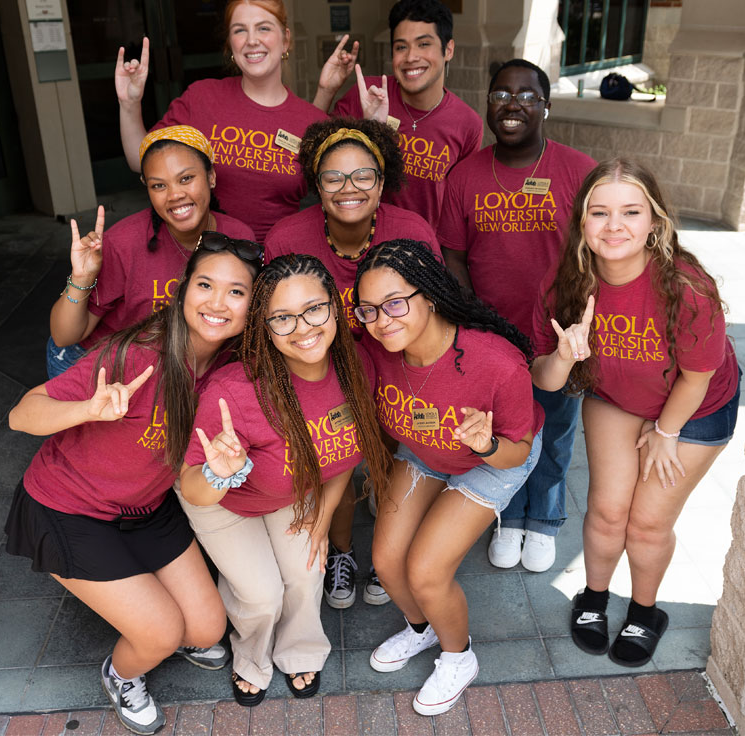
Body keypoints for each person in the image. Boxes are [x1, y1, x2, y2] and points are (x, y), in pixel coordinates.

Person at [6, 234, 264, 735]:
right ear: (184, 290)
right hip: (67, 506)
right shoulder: (134, 354)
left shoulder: (233, 368)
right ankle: (121, 675)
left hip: (145, 507)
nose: (216, 302)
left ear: (253, 307)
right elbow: (21, 415)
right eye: (205, 284)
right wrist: (87, 410)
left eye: (236, 292)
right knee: (161, 634)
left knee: (208, 629)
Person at [531, 158, 740, 667]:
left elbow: (697, 376)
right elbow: (544, 380)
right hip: (618, 398)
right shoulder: (566, 286)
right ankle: (594, 599)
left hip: (694, 407)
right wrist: (562, 356)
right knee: (607, 512)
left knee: (646, 523)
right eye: (599, 212)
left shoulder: (688, 288)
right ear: (582, 220)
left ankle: (646, 612)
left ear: (655, 222)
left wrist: (667, 430)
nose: (615, 225)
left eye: (630, 211)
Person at [178, 254, 390, 706]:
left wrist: (325, 514)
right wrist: (219, 470)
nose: (303, 328)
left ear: (336, 306)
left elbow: (345, 457)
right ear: (264, 326)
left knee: (306, 573)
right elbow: (194, 488)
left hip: (292, 492)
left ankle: (300, 650)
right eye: (282, 318)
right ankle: (251, 658)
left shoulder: (357, 369)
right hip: (223, 501)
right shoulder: (235, 390)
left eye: (314, 309)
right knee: (261, 595)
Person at [353, 239, 544, 716]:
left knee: (427, 569)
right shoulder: (377, 351)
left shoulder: (496, 362)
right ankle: (424, 628)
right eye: (369, 309)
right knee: (387, 560)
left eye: (396, 303)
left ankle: (459, 657)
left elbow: (517, 449)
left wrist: (485, 445)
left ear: (431, 296)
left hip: (494, 457)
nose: (382, 320)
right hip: (423, 453)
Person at [264, 118, 440, 610]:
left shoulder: (411, 232)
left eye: (363, 175)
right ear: (316, 186)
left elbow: (434, 311)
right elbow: (272, 316)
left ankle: (386, 555)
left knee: (388, 461)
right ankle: (341, 552)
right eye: (333, 177)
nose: (349, 188)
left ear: (382, 183)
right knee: (332, 460)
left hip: (392, 368)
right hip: (320, 373)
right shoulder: (288, 238)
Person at [438, 59, 597, 573]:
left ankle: (544, 520)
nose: (512, 104)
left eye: (527, 95)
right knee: (506, 431)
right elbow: (455, 256)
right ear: (488, 104)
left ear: (546, 106)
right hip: (494, 335)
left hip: (557, 332)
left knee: (554, 430)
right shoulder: (464, 176)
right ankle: (508, 518)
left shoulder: (577, 170)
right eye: (501, 93)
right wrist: (477, 322)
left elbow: (598, 251)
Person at [115, 0, 358, 241]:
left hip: (276, 261)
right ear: (230, 43)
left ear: (285, 39)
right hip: (206, 259)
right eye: (240, 30)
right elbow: (141, 161)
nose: (252, 40)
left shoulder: (312, 120)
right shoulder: (202, 98)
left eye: (263, 28)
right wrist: (129, 104)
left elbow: (343, 192)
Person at [48, 126, 254, 377]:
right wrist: (82, 278)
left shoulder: (238, 238)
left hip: (172, 367)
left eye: (186, 179)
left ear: (211, 176)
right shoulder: (124, 243)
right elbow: (63, 336)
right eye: (159, 186)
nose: (175, 195)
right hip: (97, 363)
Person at [316, 0, 483, 227]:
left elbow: (459, 209)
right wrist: (326, 90)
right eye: (401, 47)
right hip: (354, 240)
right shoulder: (367, 95)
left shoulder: (467, 124)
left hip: (421, 252)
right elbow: (310, 154)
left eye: (424, 44)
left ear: (448, 50)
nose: (411, 57)